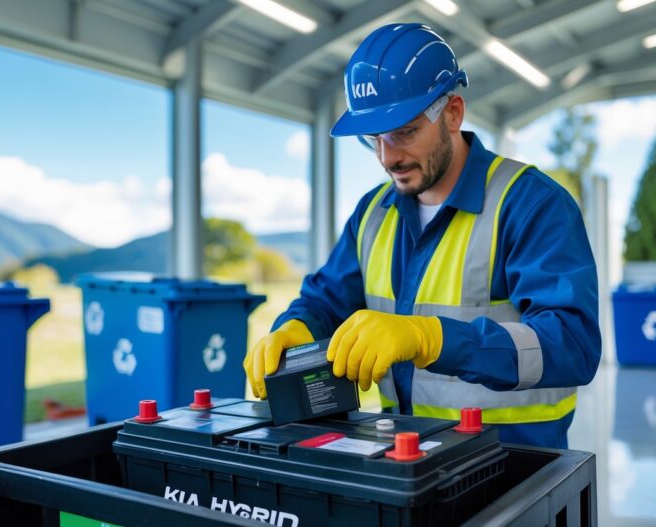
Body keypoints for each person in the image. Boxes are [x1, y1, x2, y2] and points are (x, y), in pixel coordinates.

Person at [243, 23, 601, 449]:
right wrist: (295, 328)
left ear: (452, 113)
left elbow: (572, 345)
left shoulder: (530, 204)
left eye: (405, 131)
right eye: (373, 137)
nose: (387, 156)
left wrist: (432, 338)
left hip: (516, 465)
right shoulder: (373, 213)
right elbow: (325, 300)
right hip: (408, 463)